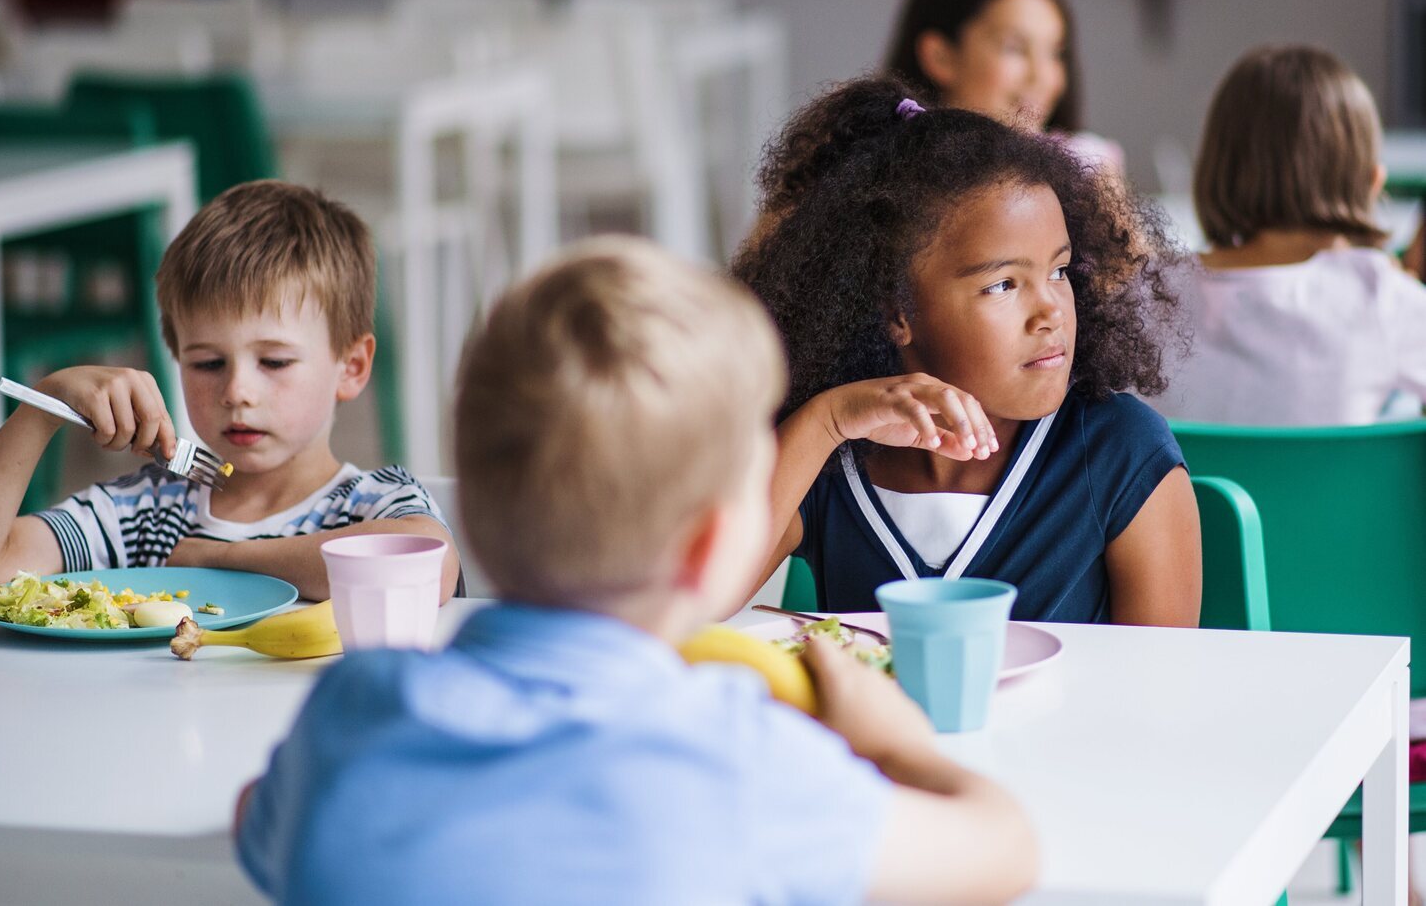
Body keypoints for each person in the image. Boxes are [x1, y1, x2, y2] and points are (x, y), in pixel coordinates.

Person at [234, 237, 1038, 906]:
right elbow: (1006, 850)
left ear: (468, 515)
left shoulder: (352, 715)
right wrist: (900, 745)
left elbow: (256, 818)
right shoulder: (741, 760)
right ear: (711, 545)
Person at [732, 76, 1198, 624]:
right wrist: (826, 421)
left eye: (1060, 271)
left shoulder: (1120, 451)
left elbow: (1161, 687)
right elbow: (704, 596)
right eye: (1003, 284)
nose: (1051, 311)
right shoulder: (830, 458)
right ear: (897, 311)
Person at [0, 180, 458, 603]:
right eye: (207, 363)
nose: (236, 390)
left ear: (352, 366)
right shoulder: (150, 512)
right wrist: (41, 411)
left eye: (273, 360)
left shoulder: (373, 504)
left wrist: (219, 559)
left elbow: (422, 563)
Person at [1143, 45, 1426, 425]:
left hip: (1187, 486)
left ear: (1215, 168)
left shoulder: (1144, 293)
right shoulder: (1382, 295)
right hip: (1330, 486)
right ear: (1372, 182)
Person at [883, 0, 1123, 173]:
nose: (1041, 76)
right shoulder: (886, 177)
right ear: (941, 57)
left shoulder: (1088, 168)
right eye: (1014, 48)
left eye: (1055, 53)